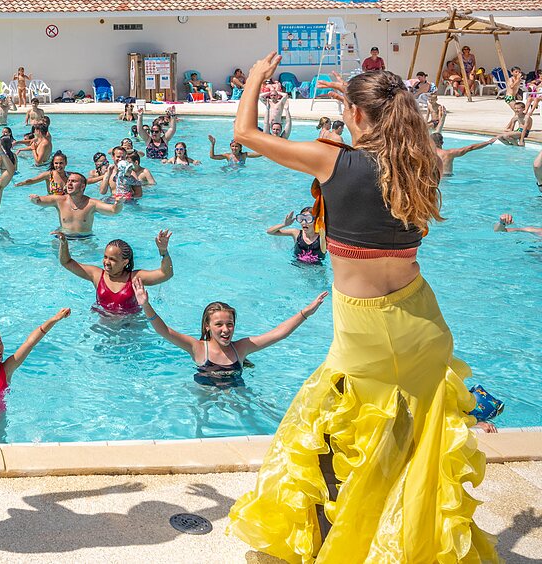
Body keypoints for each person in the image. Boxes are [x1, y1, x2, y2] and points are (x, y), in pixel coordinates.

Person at [225, 55, 497, 561]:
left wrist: (258, 76)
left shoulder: (332, 161)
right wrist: (356, 105)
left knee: (330, 441)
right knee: (412, 447)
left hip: (364, 333)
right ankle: (403, 543)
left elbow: (243, 132)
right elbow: (387, 144)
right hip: (423, 323)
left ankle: (339, 549)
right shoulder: (425, 164)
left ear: (353, 113)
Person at [135, 280, 327, 388]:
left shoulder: (241, 348)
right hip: (206, 395)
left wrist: (305, 313)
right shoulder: (198, 348)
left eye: (230, 324)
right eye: (219, 324)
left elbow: (279, 334)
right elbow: (164, 331)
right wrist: (145, 304)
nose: (225, 330)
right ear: (207, 326)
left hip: (237, 395)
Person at [56, 232, 171, 315]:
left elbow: (165, 274)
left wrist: (163, 251)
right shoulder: (96, 275)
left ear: (125, 262)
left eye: (112, 259)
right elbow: (67, 262)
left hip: (130, 324)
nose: (106, 262)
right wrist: (64, 243)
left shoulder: (135, 278)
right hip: (103, 322)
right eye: (105, 257)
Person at [28, 170, 121, 238]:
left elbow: (114, 210)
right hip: (63, 238)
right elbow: (40, 201)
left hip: (85, 240)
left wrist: (119, 202)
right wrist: (34, 199)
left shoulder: (92, 204)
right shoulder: (59, 200)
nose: (69, 184)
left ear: (82, 186)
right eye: (68, 181)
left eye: (73, 181)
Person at [432, 133, 498, 176]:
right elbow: (471, 148)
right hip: (448, 177)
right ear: (442, 142)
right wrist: (488, 142)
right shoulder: (449, 153)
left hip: (435, 177)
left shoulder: (428, 153)